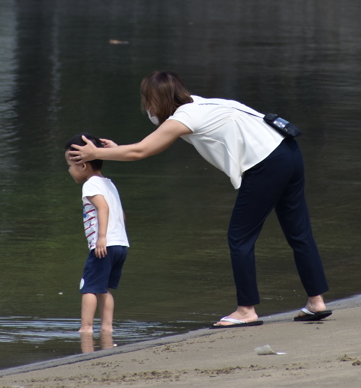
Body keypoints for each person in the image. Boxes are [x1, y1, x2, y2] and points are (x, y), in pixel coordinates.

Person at [69, 71, 330, 328]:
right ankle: (316, 302)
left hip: (266, 164)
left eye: (147, 101)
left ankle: (246, 310)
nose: (146, 107)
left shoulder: (185, 117)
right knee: (299, 232)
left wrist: (95, 152)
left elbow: (142, 150)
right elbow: (149, 144)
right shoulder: (200, 104)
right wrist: (115, 151)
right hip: (289, 151)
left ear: (155, 101)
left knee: (239, 238)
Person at [64, 133, 130, 337]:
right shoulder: (108, 183)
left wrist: (101, 238)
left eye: (70, 165)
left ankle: (86, 328)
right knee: (104, 289)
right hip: (120, 244)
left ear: (83, 165)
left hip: (104, 244)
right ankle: (107, 328)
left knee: (89, 287)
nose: (69, 170)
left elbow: (103, 208)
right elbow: (121, 214)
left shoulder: (90, 184)